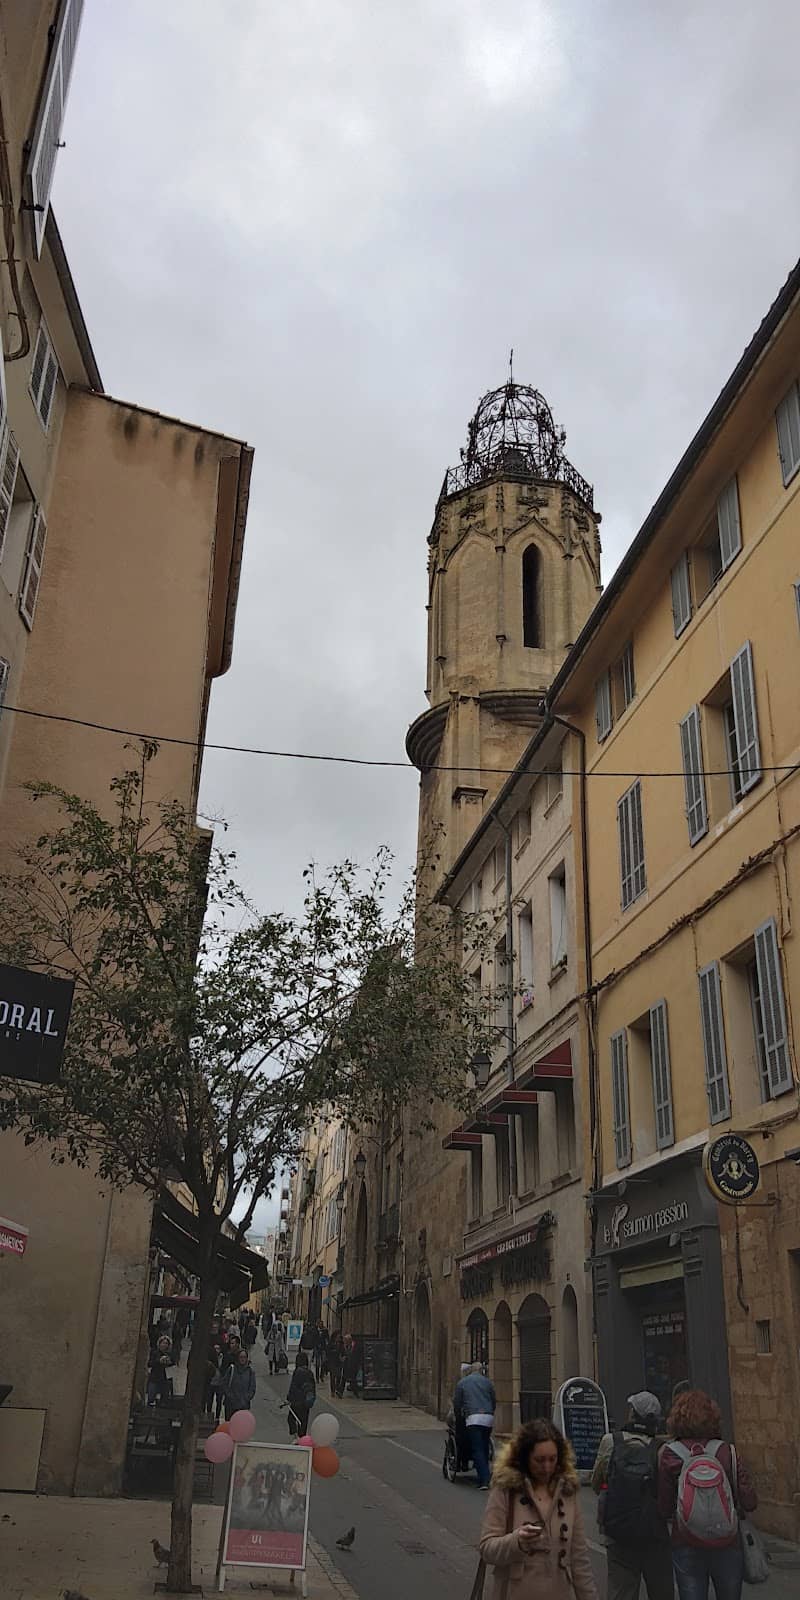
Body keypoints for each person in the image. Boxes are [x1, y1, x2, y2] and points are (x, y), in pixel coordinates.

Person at [480, 1418, 598, 1599]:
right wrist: (516, 1541)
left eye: (553, 1459)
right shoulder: (506, 1489)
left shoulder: (567, 1491)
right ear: (525, 1458)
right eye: (539, 1460)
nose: (547, 1467)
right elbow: (487, 1549)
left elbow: (579, 1558)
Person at [657, 1388, 757, 1600]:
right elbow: (749, 1500)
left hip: (686, 1540)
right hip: (727, 1540)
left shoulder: (668, 1453)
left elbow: (665, 1506)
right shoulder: (727, 1451)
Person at [591, 1390, 671, 1600]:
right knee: (660, 1590)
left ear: (633, 1414)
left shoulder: (611, 1441)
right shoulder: (662, 1449)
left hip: (618, 1532)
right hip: (653, 1533)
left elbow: (596, 1483)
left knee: (621, 1590)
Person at [454, 1360, 496, 1490]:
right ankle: (484, 1473)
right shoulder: (488, 1382)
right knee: (483, 1446)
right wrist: (490, 1411)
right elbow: (493, 1400)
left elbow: (457, 1403)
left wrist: (458, 1415)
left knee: (477, 1448)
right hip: (488, 1418)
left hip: (473, 1418)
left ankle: (484, 1480)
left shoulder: (463, 1383)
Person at [287, 1352, 316, 1437]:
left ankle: (296, 1436)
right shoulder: (309, 1372)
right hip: (305, 1402)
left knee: (291, 1418)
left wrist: (289, 1398)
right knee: (303, 1422)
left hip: (296, 1401)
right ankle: (302, 1439)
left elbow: (293, 1387)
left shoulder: (297, 1371)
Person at [223, 1346, 256, 1419]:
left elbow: (252, 1388)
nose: (242, 1359)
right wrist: (230, 1396)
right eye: (241, 1357)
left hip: (243, 1406)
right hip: (231, 1405)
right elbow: (225, 1384)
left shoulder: (250, 1372)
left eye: (244, 1357)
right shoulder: (232, 1369)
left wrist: (246, 1398)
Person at [146, 1335, 174, 1406]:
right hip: (154, 1378)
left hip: (165, 1379)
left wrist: (169, 1362)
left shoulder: (170, 1354)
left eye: (166, 1343)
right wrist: (159, 1361)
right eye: (163, 1343)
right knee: (151, 1397)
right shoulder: (155, 1353)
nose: (164, 1345)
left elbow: (173, 1366)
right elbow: (150, 1363)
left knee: (164, 1400)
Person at [328, 1332, 344, 1396]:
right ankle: (333, 1391)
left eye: (339, 1337)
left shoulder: (341, 1344)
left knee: (339, 1376)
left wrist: (343, 1357)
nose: (338, 1338)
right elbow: (328, 1351)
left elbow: (343, 1352)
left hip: (339, 1362)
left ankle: (337, 1388)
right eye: (337, 1337)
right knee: (332, 1377)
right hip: (332, 1362)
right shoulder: (331, 1344)